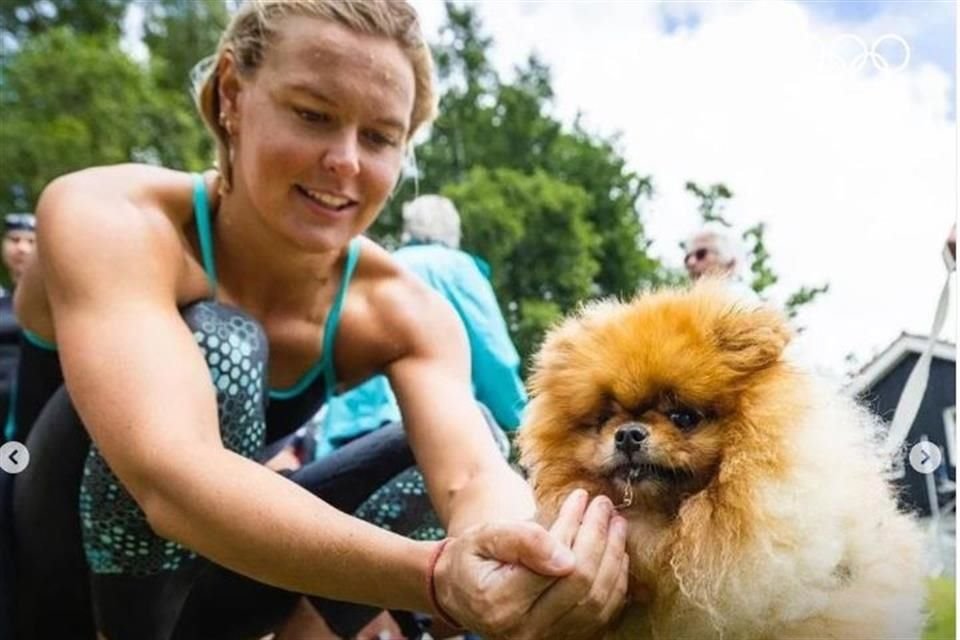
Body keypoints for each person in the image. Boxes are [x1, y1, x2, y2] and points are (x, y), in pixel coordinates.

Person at [3, 2, 628, 640]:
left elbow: (470, 475)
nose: (345, 161)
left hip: (207, 583)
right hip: (37, 559)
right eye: (312, 114)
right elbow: (171, 474)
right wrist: (433, 573)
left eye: (380, 137)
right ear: (231, 96)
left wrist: (524, 562)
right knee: (224, 345)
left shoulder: (403, 309)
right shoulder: (110, 215)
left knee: (478, 439)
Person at [312, 194, 527, 458]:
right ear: (453, 232)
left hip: (345, 434)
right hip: (422, 430)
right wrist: (527, 425)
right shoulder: (457, 269)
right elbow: (494, 358)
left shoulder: (380, 266)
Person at [0, 212, 37, 442]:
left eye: (31, 241)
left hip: (31, 423)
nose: (21, 248)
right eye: (14, 240)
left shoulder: (59, 304)